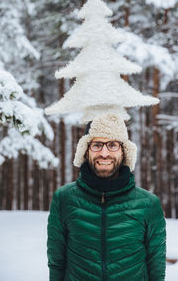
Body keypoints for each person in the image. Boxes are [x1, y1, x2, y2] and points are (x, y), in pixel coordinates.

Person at [47, 114, 166, 281]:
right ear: (86, 150)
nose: (104, 153)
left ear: (124, 151)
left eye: (112, 145)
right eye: (97, 145)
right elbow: (56, 262)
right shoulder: (64, 199)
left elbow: (156, 267)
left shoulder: (149, 204)